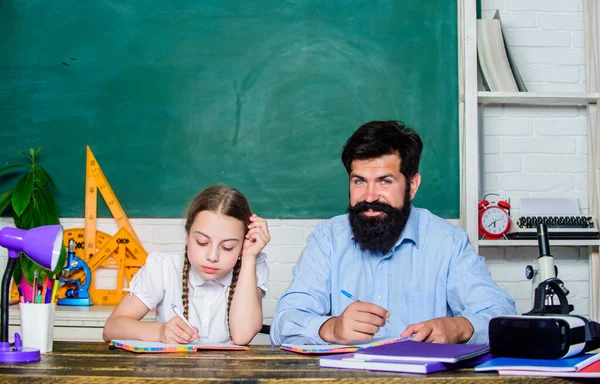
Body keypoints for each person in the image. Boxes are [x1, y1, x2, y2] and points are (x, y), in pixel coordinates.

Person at [270, 120, 516, 346]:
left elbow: (502, 315)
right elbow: (284, 322)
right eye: (359, 181)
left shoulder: (448, 242)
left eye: (385, 181)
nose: (369, 196)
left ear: (412, 186)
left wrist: (460, 328)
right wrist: (330, 328)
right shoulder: (327, 240)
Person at [103, 185, 271, 345]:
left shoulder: (252, 266)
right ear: (187, 235)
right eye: (202, 242)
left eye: (228, 247)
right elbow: (111, 328)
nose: (212, 257)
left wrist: (249, 256)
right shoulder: (164, 267)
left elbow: (242, 335)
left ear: (242, 244)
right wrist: (160, 332)